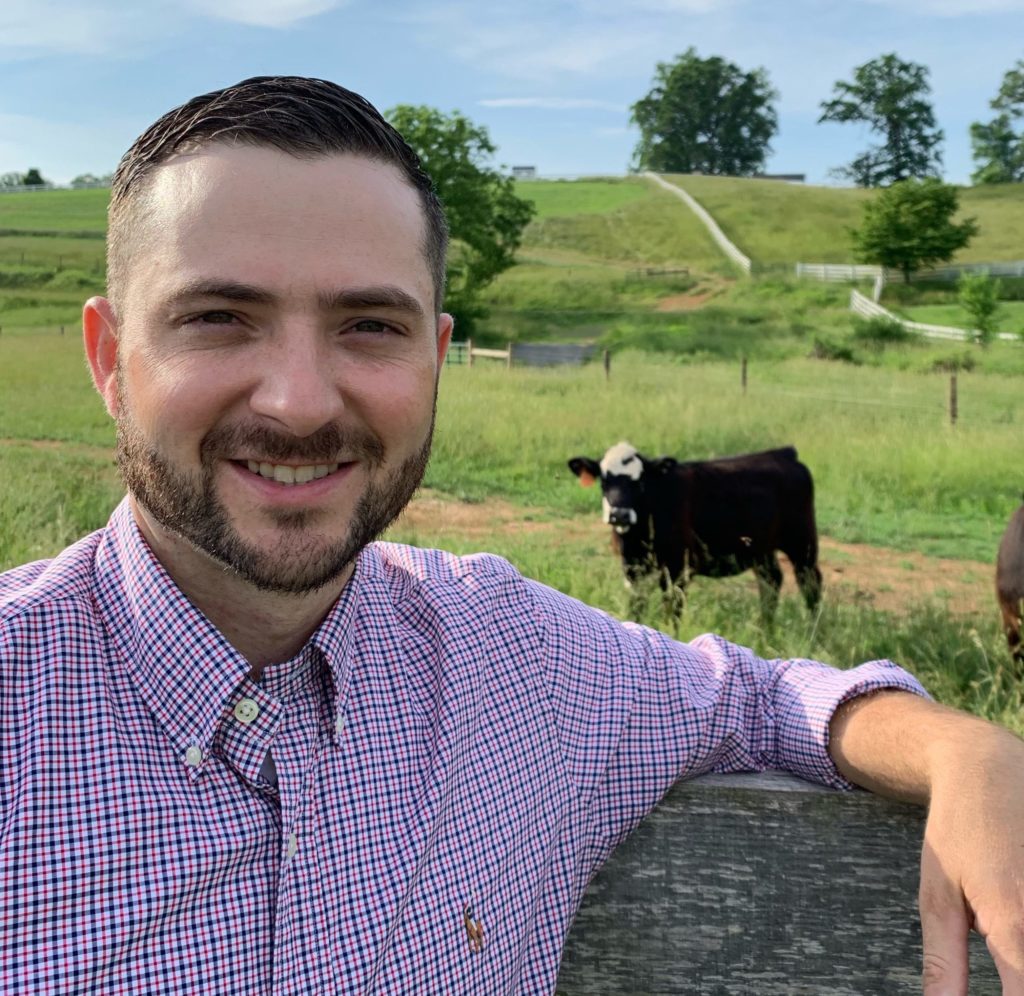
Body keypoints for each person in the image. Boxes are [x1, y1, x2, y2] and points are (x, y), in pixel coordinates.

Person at [0, 76, 1021, 996]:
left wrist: (963, 750)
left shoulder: (515, 656)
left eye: (371, 325)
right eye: (218, 316)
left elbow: (758, 701)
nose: (301, 402)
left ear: (437, 357)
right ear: (110, 358)